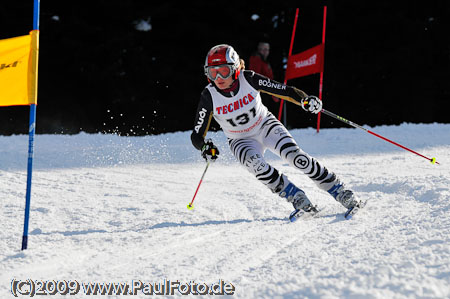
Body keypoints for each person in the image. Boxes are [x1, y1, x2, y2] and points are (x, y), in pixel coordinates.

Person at [190, 44, 362, 218]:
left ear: (235, 69)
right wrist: (205, 147)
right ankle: (297, 198)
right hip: (240, 140)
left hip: (265, 125)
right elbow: (197, 135)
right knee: (257, 166)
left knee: (296, 157)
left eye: (224, 71)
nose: (218, 77)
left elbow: (284, 91)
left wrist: (305, 100)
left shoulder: (248, 79)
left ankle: (339, 190)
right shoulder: (208, 96)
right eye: (213, 72)